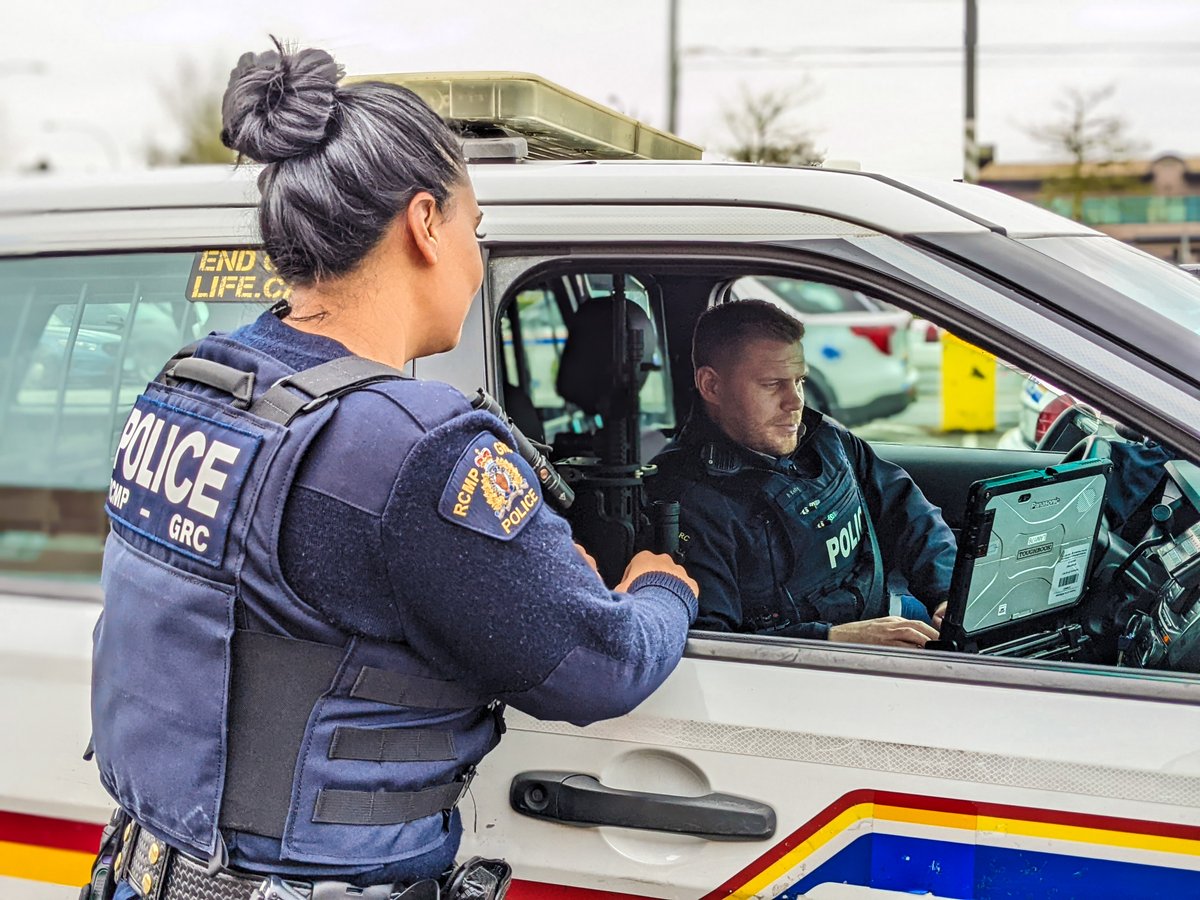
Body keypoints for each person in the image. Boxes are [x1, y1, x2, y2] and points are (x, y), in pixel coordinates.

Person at [86, 41, 698, 900]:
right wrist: (663, 588)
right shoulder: (416, 450)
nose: (476, 260)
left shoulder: (192, 389)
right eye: (475, 229)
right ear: (425, 223)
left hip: (144, 870)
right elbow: (603, 664)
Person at [650, 299, 954, 649]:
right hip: (807, 662)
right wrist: (831, 640)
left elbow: (908, 509)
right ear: (712, 386)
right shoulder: (688, 501)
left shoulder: (822, 439)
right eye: (772, 384)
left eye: (799, 380)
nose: (795, 401)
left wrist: (946, 594)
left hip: (886, 617)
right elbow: (712, 646)